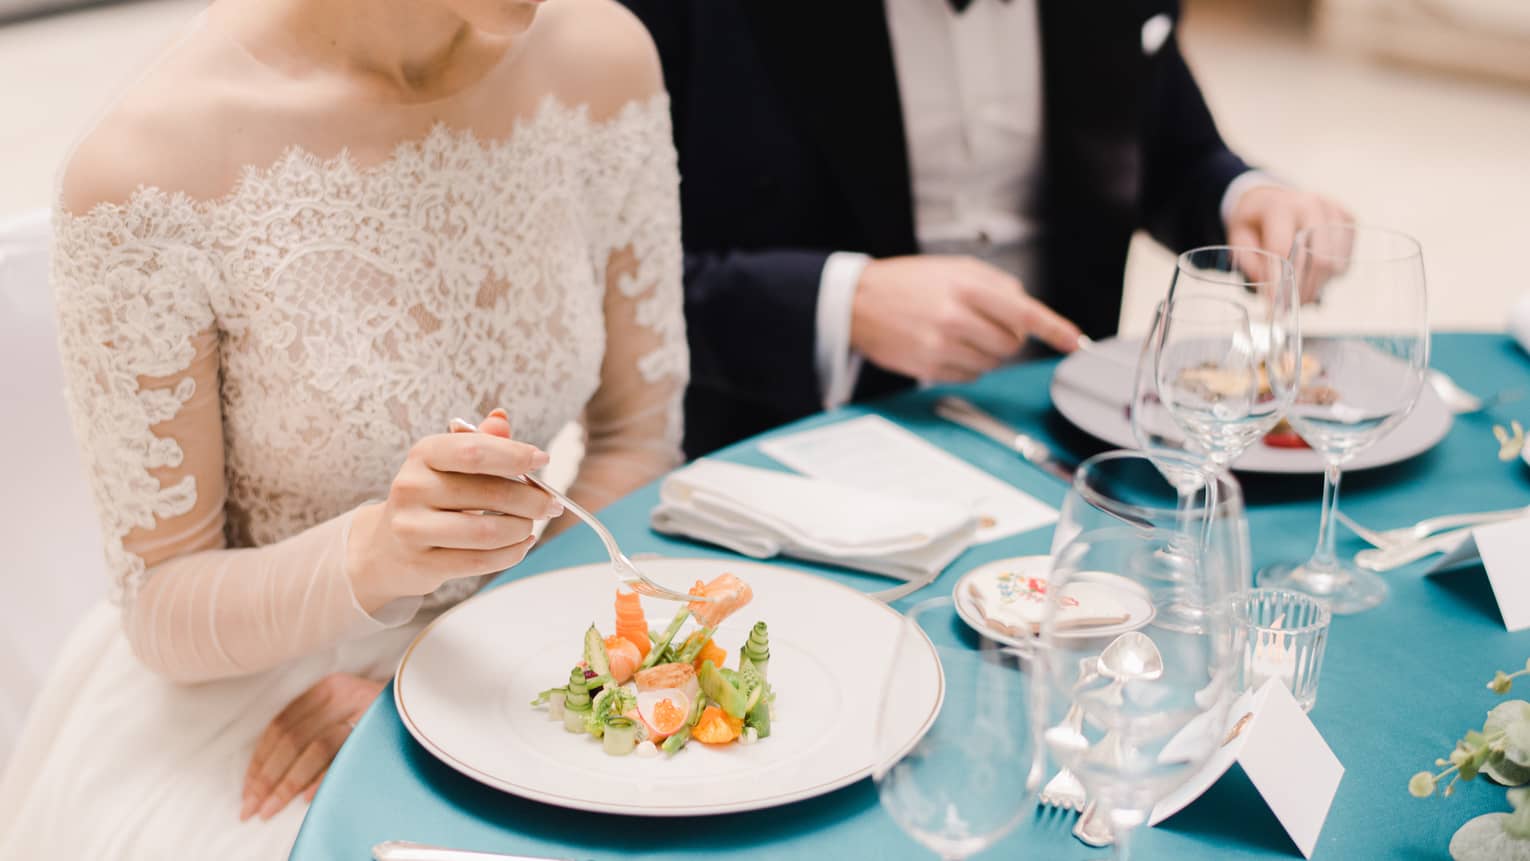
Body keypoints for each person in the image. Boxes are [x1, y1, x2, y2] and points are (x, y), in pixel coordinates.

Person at [0, 0, 687, 856]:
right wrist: (375, 555)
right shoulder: (149, 166)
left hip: (533, 635)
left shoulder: (605, 57)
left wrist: (444, 659)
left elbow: (638, 446)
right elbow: (160, 604)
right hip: (265, 712)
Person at [620, 0, 1352, 457]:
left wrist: (1243, 197)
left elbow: (1168, 150)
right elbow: (612, 282)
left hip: (1070, 432)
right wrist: (842, 303)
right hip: (794, 447)